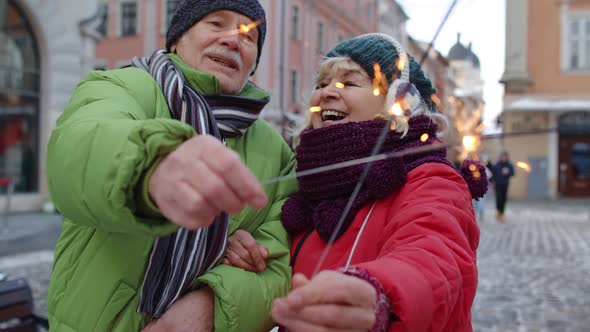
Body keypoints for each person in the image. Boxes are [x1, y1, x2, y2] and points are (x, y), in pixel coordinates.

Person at [45, 1, 297, 331]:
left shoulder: (275, 149)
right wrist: (150, 168)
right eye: (217, 24)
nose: (233, 40)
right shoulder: (121, 86)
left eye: (249, 37)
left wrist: (211, 305)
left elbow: (279, 265)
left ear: (253, 64)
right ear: (177, 39)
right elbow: (77, 148)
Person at [224, 33, 486, 331]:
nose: (326, 93)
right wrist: (242, 248)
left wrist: (381, 295)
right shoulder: (306, 183)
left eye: (349, 83)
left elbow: (436, 258)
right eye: (321, 84)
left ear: (401, 102)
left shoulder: (431, 178)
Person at [490, 151, 514, 222]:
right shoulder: (497, 165)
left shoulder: (509, 165)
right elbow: (492, 174)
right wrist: (491, 181)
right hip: (497, 185)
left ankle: (502, 213)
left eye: (505, 156)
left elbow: (513, 173)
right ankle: (498, 212)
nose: (503, 158)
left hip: (505, 185)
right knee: (498, 198)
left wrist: (508, 172)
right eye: (502, 156)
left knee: (504, 199)